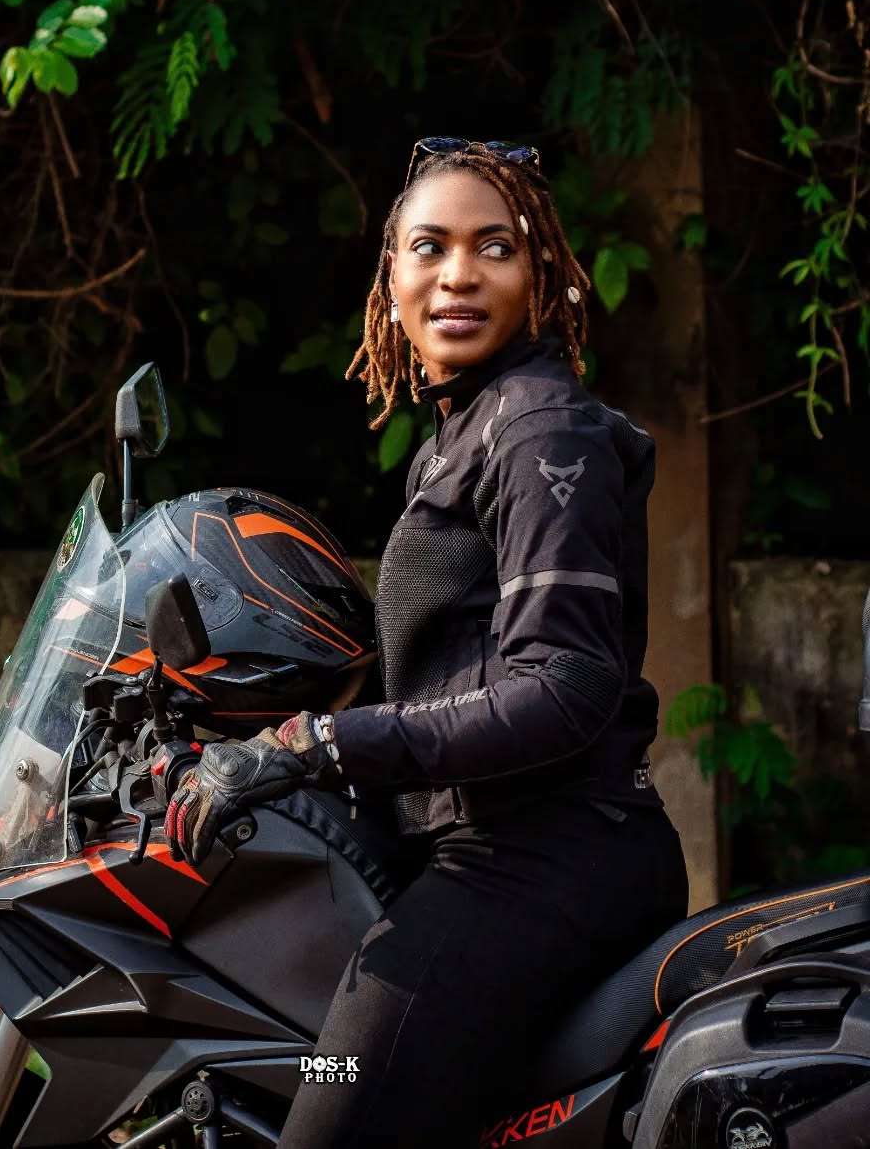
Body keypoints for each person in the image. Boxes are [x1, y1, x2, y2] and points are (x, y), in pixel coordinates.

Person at [164, 137, 690, 1148]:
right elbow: (445, 674)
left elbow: (567, 680)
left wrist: (317, 743)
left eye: (494, 248)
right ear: (392, 276)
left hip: (542, 860)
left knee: (332, 1103)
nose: (458, 274)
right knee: (304, 1049)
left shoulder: (541, 433)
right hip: (479, 852)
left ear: (542, 277)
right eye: (429, 247)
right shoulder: (464, 433)